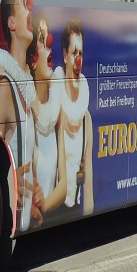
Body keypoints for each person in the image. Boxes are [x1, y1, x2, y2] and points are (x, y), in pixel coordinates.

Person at [0, 0, 41, 231]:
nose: (30, 10)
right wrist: (10, 179)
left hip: (26, 215)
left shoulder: (28, 86)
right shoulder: (4, 89)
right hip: (13, 214)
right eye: (23, 3)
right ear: (11, 22)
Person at [30, 13, 67, 223]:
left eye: (49, 40)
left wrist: (45, 204)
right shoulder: (25, 110)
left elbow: (64, 183)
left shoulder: (56, 109)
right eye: (42, 42)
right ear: (33, 60)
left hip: (46, 215)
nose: (50, 48)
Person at [59, 18, 93, 215]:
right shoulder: (54, 109)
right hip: (54, 208)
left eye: (81, 53)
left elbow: (88, 186)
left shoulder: (86, 118)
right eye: (74, 53)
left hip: (75, 209)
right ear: (65, 55)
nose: (78, 60)